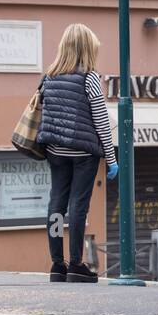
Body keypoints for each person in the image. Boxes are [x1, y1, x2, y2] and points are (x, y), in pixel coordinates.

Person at [36, 24, 119, 283]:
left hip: (55, 151)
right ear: (87, 49)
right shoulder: (89, 77)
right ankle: (76, 264)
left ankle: (57, 265)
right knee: (78, 207)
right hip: (83, 153)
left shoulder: (48, 76)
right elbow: (101, 121)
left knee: (56, 206)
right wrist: (111, 158)